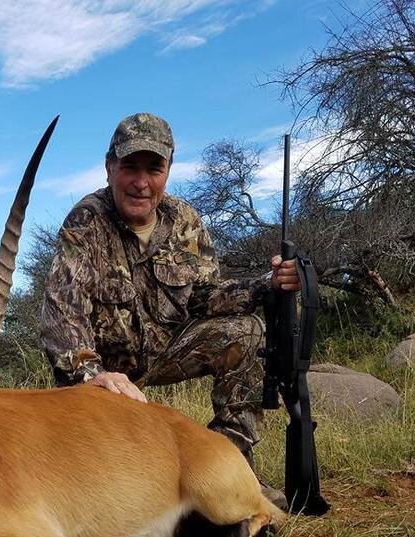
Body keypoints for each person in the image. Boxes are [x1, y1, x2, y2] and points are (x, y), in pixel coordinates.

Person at [41, 112, 300, 506]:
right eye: (130, 167)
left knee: (246, 331)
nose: (141, 182)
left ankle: (232, 469)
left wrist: (268, 286)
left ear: (169, 169)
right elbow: (63, 317)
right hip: (105, 374)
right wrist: (91, 375)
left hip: (166, 352)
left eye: (154, 168)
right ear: (109, 167)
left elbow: (205, 297)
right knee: (105, 487)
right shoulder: (84, 223)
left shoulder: (186, 222)